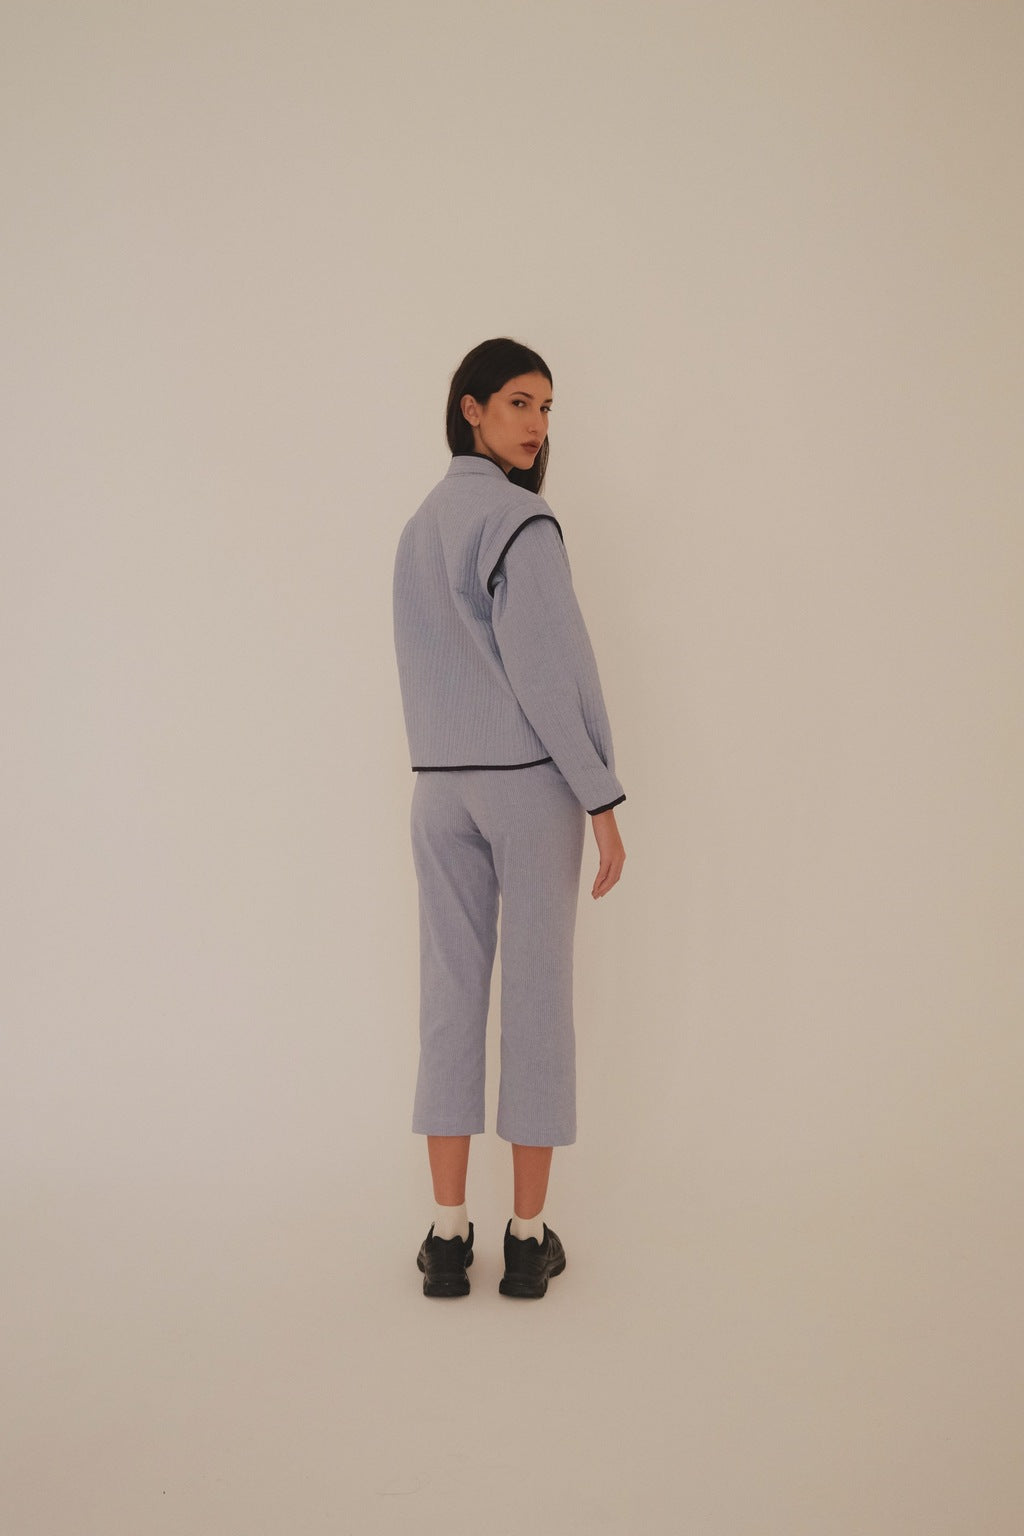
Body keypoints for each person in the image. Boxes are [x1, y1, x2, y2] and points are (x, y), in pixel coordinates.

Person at [392, 337, 626, 1299]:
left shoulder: (419, 527)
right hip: (528, 785)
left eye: (547, 408)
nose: (536, 424)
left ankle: (447, 1236)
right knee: (535, 999)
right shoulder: (521, 522)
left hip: (437, 788)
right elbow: (553, 670)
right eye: (520, 402)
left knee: (450, 996)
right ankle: (527, 1241)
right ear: (472, 407)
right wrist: (601, 793)